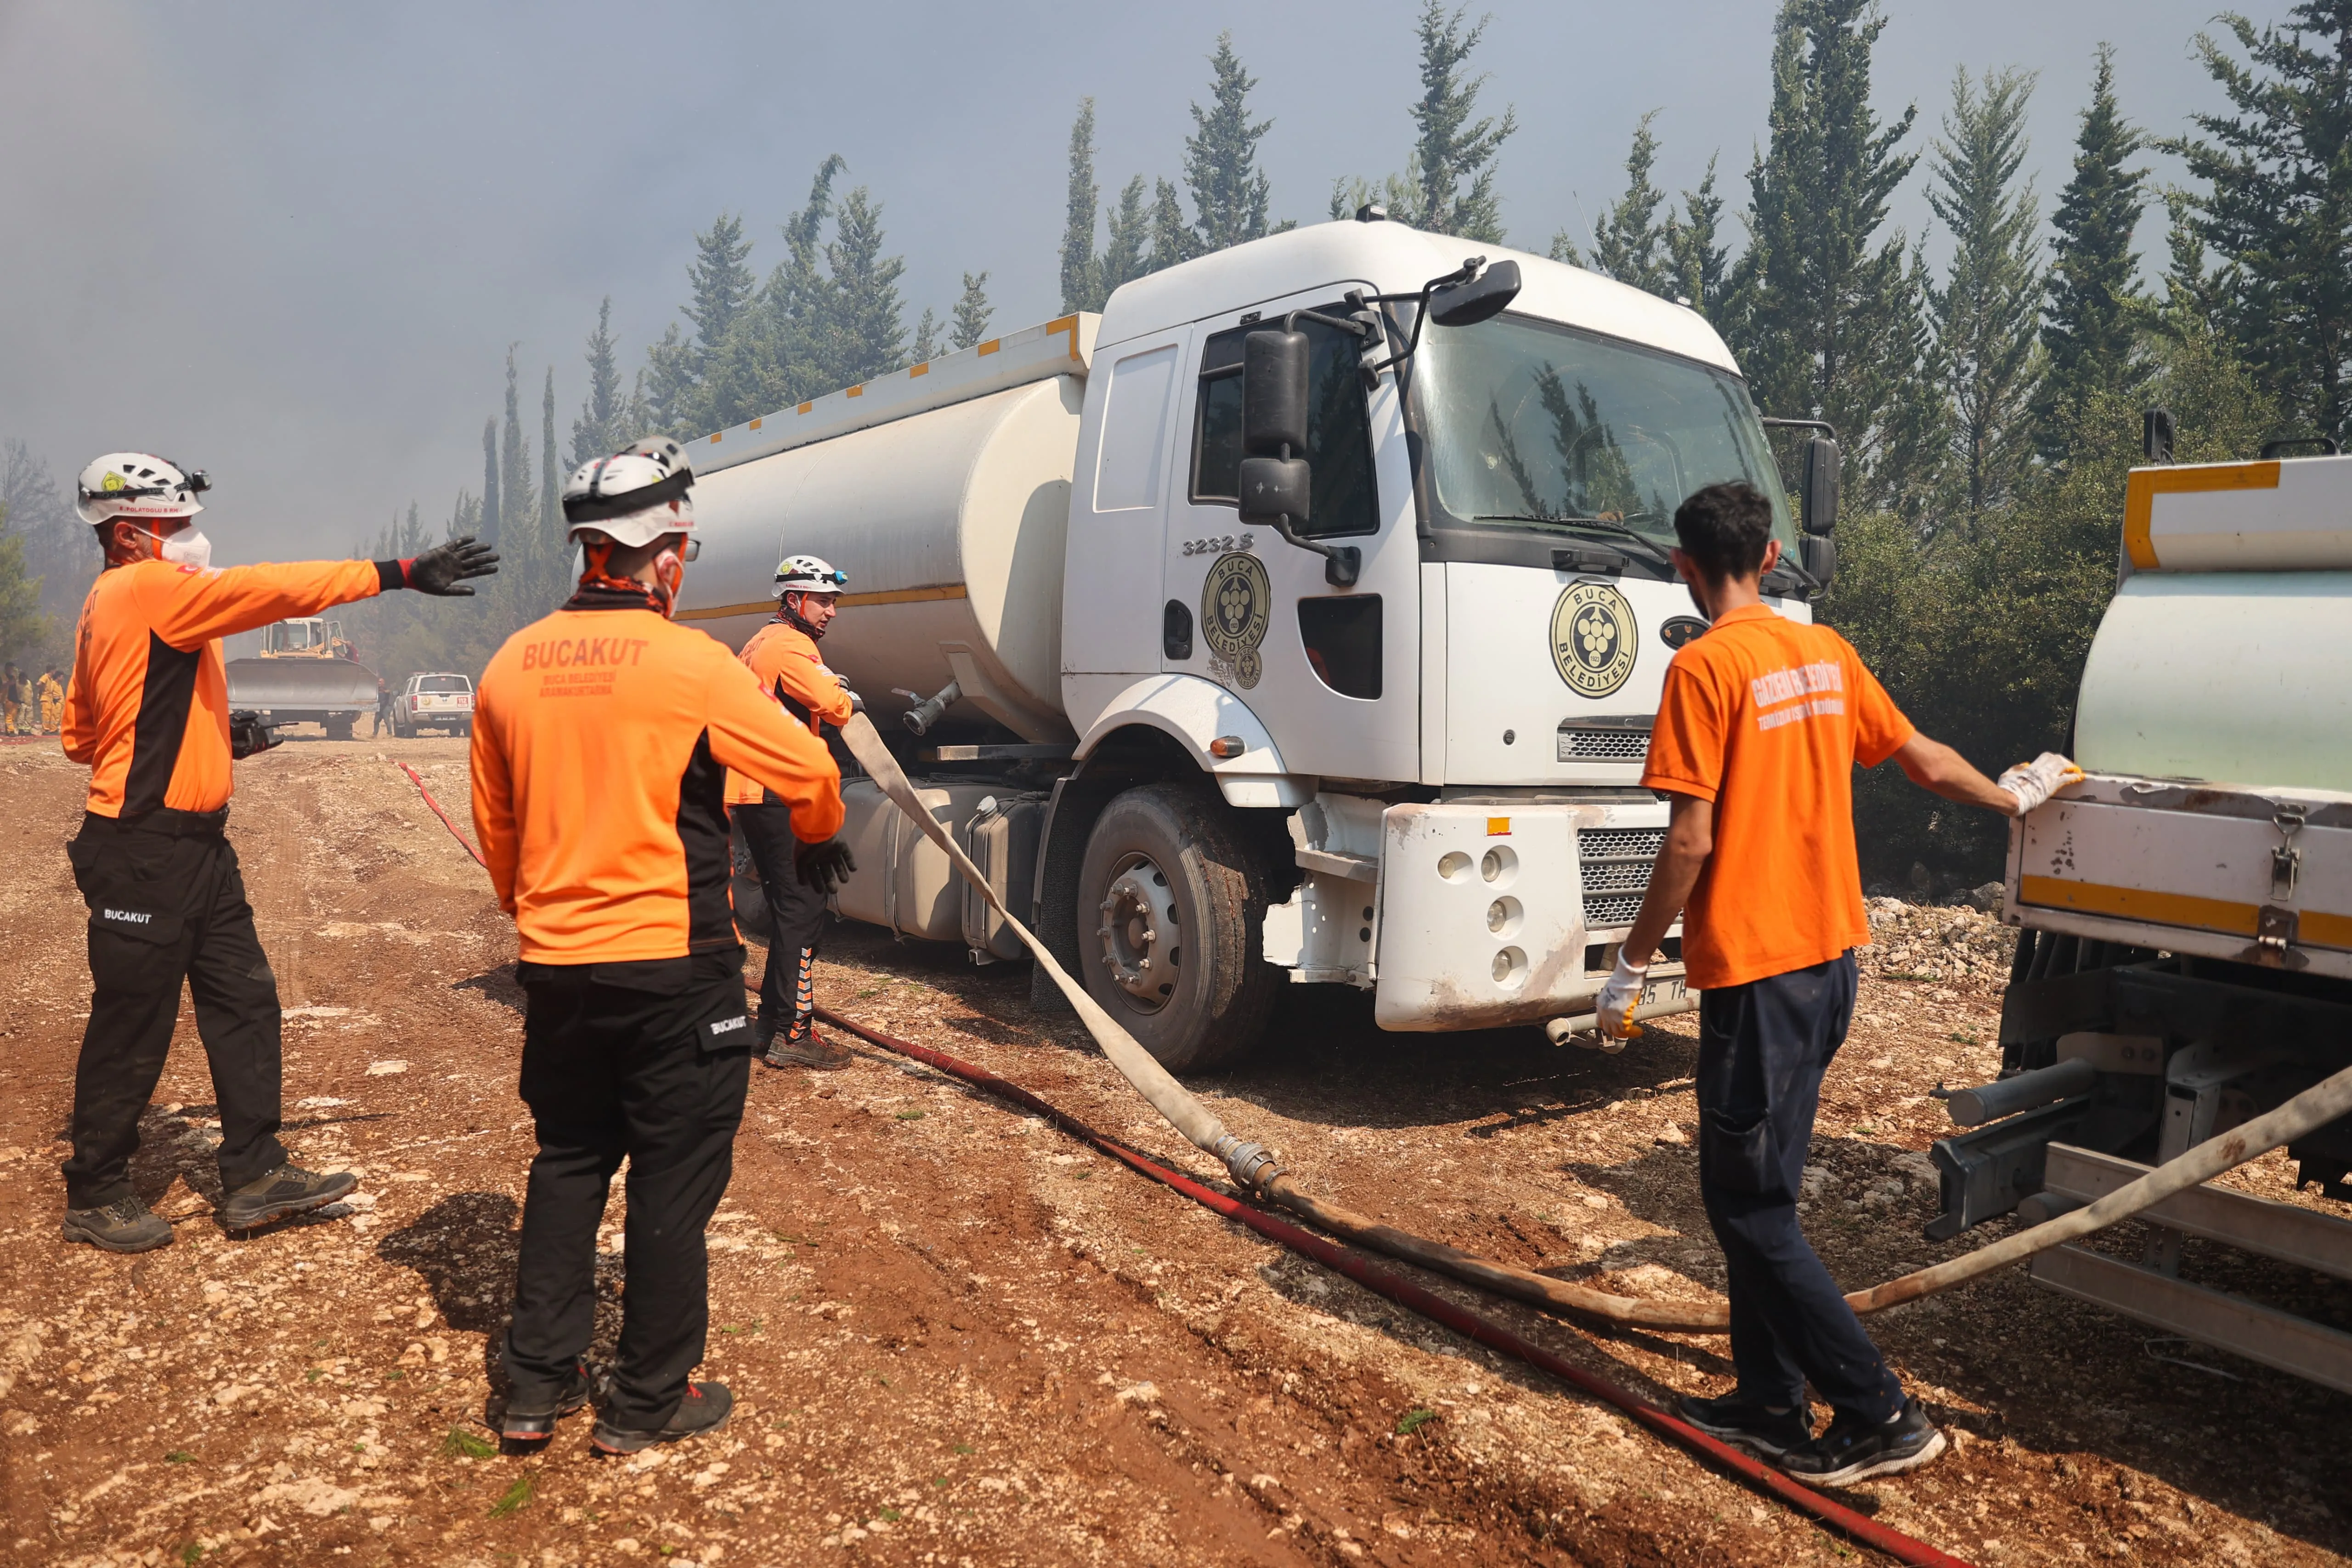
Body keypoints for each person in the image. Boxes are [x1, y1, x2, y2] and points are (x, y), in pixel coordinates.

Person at [1600, 481, 2077, 1486]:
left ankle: (1878, 1413)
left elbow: (1690, 837)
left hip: (1760, 971)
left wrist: (1630, 961)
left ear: (1684, 565)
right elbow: (1924, 760)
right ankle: (1769, 1402)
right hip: (1829, 965)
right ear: (1770, 556)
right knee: (1758, 1190)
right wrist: (2011, 796)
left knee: (1750, 1210)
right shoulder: (1825, 654)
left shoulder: (1702, 667)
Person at [471, 438, 854, 1457]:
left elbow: (500, 838)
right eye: (683, 544)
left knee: (567, 1160)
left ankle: (534, 1386)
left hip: (556, 965)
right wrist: (816, 837)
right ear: (666, 555)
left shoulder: (508, 666)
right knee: (671, 1183)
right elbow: (809, 769)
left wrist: (542, 916)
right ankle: (645, 1399)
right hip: (676, 971)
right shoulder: (691, 665)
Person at [57, 452, 499, 1253]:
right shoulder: (149, 588)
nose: (189, 540)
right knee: (133, 1021)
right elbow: (270, 587)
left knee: (245, 996)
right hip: (144, 845)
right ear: (127, 535)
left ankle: (256, 1172)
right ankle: (95, 1191)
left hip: (194, 844)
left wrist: (206, 736)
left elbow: (83, 735)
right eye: (173, 526)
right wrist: (398, 570)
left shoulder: (102, 605)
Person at [728, 554, 857, 1070]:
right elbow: (835, 704)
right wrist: (843, 691)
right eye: (823, 601)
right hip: (777, 790)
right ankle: (793, 1034)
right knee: (804, 908)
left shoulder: (759, 641)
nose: (831, 612)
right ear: (793, 600)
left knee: (788, 906)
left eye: (832, 602)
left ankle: (771, 1024)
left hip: (752, 789)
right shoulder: (789, 644)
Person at [40, 667, 65, 733]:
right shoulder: (53, 683)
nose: (63, 679)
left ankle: (55, 729)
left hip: (61, 704)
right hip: (56, 703)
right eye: (62, 677)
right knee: (53, 717)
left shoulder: (59, 685)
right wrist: (55, 699)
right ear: (58, 677)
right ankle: (50, 730)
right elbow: (50, 692)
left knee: (57, 718)